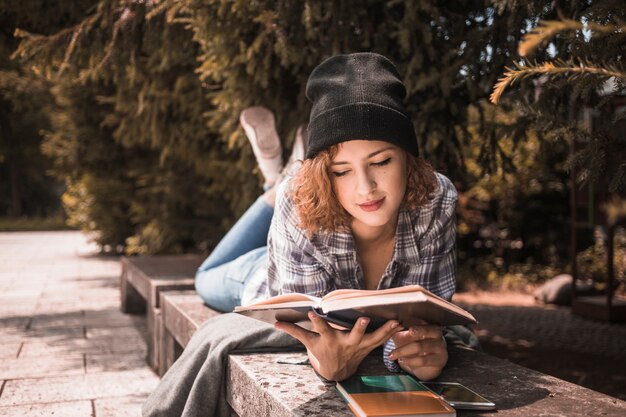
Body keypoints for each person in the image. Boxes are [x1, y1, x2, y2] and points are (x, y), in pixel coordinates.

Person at [195, 52, 459, 382]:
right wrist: (326, 364)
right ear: (324, 174)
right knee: (203, 277)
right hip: (263, 272)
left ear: (408, 156)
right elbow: (311, 329)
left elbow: (422, 321)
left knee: (295, 190)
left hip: (301, 244)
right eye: (341, 170)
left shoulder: (437, 199)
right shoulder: (298, 200)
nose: (366, 189)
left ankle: (278, 174)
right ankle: (273, 181)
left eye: (381, 162)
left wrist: (419, 357)